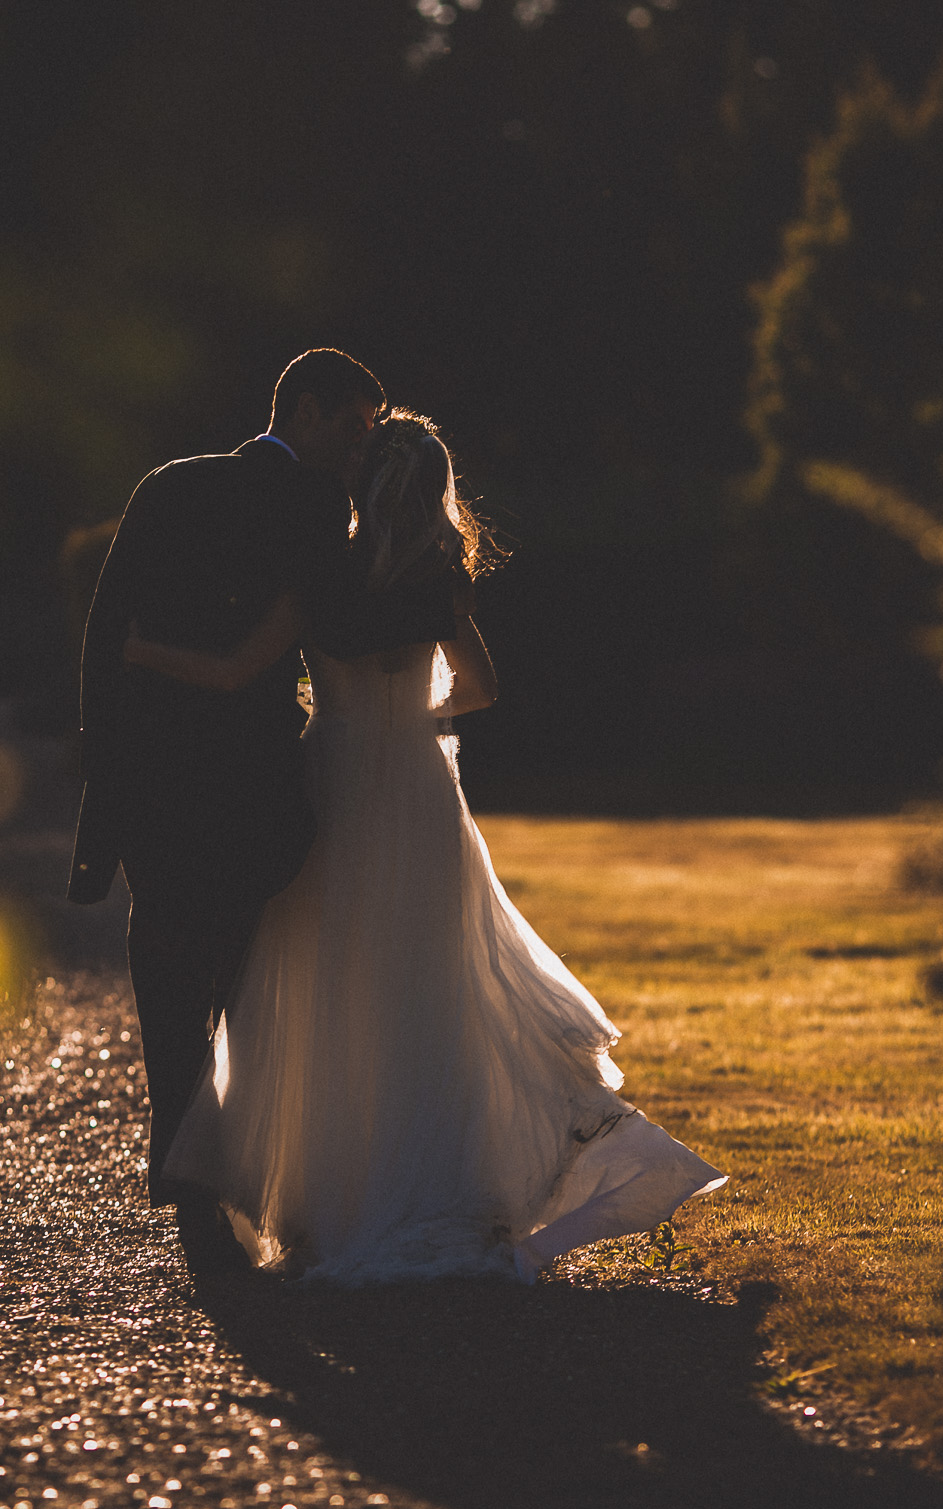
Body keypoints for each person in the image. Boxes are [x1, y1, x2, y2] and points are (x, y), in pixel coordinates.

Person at [123, 411, 725, 1284]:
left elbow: (229, 672)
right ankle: (437, 1187)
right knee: (425, 995)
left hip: (329, 786)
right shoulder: (441, 580)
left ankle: (320, 1202)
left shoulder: (319, 578)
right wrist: (410, 726)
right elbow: (480, 690)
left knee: (322, 987)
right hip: (416, 791)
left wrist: (143, 650)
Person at [68, 350, 457, 1266]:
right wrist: (438, 598)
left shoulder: (168, 485)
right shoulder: (316, 510)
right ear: (312, 411)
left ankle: (192, 1176)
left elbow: (103, 638)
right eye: (359, 425)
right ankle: (231, 1171)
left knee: (170, 986)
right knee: (243, 992)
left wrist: (108, 780)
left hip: (161, 789)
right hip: (249, 791)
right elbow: (335, 632)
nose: (365, 447)